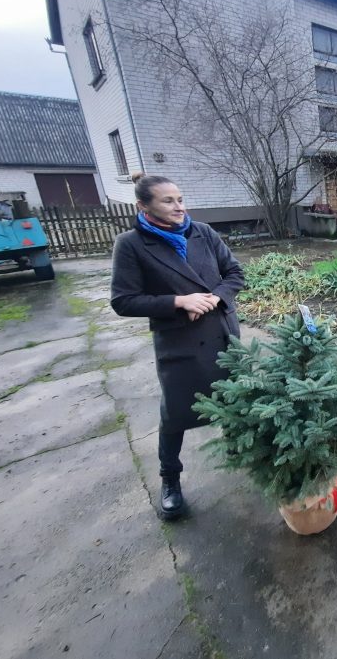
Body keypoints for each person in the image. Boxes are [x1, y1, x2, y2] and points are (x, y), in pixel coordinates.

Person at [110, 173, 244, 520]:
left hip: (223, 334)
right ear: (144, 206)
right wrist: (177, 301)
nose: (179, 207)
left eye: (181, 199)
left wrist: (216, 296)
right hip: (180, 344)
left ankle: (238, 448)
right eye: (168, 201)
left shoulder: (203, 232)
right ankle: (170, 478)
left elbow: (234, 274)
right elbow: (123, 301)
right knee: (176, 415)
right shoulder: (132, 244)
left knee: (234, 397)